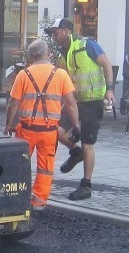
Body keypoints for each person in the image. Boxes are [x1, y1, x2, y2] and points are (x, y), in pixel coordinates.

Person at [3, 38, 80, 210]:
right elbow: (71, 103)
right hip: (49, 132)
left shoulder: (23, 74)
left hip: (26, 131)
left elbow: (13, 103)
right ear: (48, 54)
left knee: (19, 166)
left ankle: (17, 199)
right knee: (45, 168)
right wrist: (76, 126)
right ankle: (38, 202)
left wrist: (8, 125)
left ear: (31, 56)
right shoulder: (61, 74)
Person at [45, 17, 115, 201]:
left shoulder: (87, 45)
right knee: (54, 129)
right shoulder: (62, 54)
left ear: (66, 31)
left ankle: (86, 185)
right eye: (52, 34)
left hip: (93, 101)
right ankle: (75, 152)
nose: (54, 37)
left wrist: (110, 90)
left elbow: (106, 64)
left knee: (87, 143)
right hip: (75, 102)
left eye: (56, 33)